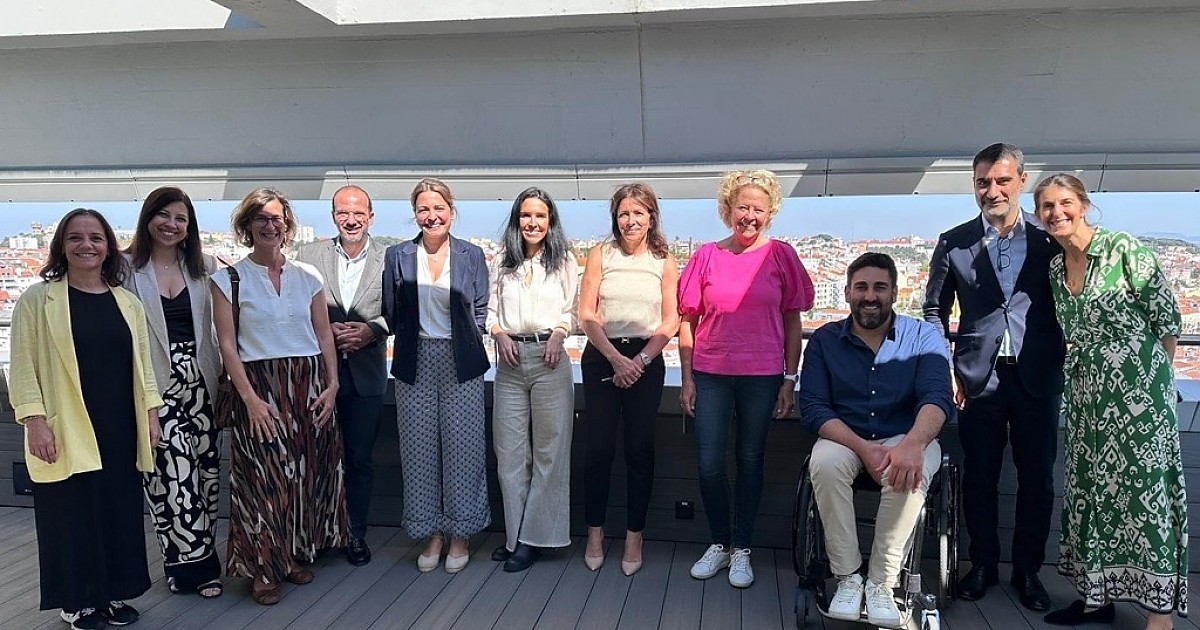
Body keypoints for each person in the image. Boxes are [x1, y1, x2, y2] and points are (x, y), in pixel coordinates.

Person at [1033, 174, 1187, 629]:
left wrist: (1153, 387)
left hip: (1139, 400)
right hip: (1087, 398)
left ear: (1083, 205)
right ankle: (1096, 599)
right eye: (1046, 206)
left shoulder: (1125, 250)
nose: (1056, 213)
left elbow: (1167, 322)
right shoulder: (1055, 268)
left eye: (1064, 203)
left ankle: (1159, 614)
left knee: (1146, 495)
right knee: (1089, 493)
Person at [923, 142, 1064, 611]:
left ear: (1022, 180)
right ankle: (982, 564)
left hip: (1037, 378)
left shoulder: (1050, 240)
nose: (992, 190)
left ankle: (1028, 570)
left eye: (1002, 180)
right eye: (983, 182)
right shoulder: (954, 241)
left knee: (1038, 479)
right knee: (979, 476)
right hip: (976, 380)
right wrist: (945, 366)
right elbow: (933, 311)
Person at [10, 208, 162, 630]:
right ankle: (76, 602)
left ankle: (112, 592)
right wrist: (34, 420)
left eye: (95, 238)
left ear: (108, 247)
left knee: (117, 511)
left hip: (120, 426)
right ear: (61, 246)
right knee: (70, 514)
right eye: (75, 237)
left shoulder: (127, 302)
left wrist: (151, 415)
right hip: (66, 424)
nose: (86, 245)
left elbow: (144, 366)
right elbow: (21, 366)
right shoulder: (37, 300)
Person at [799, 253, 954, 629]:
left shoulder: (923, 337)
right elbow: (815, 408)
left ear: (894, 293)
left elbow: (938, 397)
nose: (870, 296)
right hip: (846, 436)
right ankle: (848, 577)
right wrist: (863, 447)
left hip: (907, 434)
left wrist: (912, 445)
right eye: (862, 288)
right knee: (824, 463)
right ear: (848, 293)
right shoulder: (823, 341)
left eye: (880, 288)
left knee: (909, 467)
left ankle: (882, 582)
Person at [210, 187, 349, 605]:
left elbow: (323, 335)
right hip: (259, 385)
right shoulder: (228, 280)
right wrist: (250, 400)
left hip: (307, 384)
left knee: (302, 475)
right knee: (261, 479)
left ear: (287, 224)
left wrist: (332, 385)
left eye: (277, 218)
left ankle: (288, 557)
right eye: (261, 218)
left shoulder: (308, 276)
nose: (270, 226)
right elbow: (227, 345)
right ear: (247, 225)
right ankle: (262, 569)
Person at [678, 169, 813, 588]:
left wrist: (790, 379)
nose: (750, 216)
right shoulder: (705, 256)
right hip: (711, 374)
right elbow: (688, 321)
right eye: (742, 207)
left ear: (769, 213)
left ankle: (742, 547)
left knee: (751, 461)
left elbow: (793, 322)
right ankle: (719, 542)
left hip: (763, 375)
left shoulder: (781, 256)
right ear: (727, 210)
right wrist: (687, 378)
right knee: (709, 464)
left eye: (758, 209)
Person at [383, 177, 491, 574]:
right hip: (414, 360)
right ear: (415, 214)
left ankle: (460, 533)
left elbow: (479, 309)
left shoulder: (471, 254)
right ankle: (430, 532)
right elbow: (392, 310)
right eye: (423, 209)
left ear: (451, 211)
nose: (432, 216)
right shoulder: (397, 255)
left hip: (461, 359)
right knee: (418, 450)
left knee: (465, 448)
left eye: (438, 208)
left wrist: (464, 339)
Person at [122, 186, 224, 598]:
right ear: (148, 218)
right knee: (171, 477)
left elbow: (222, 327)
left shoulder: (205, 267)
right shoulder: (124, 268)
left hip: (202, 382)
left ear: (189, 227)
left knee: (206, 476)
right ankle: (198, 569)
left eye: (180, 218)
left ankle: (185, 561)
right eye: (163, 215)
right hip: (154, 385)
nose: (171, 224)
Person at [579, 183, 680, 576]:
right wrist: (616, 360)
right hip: (602, 357)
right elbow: (587, 314)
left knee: (639, 450)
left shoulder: (664, 260)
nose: (630, 221)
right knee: (598, 449)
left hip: (646, 360)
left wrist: (639, 360)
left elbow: (670, 320)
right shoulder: (600, 255)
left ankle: (634, 536)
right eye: (624, 213)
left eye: (638, 213)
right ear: (615, 218)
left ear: (651, 217)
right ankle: (595, 534)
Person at [296, 184, 389, 567]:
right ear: (334, 216)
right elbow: (293, 308)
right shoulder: (308, 256)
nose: (351, 220)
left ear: (371, 217)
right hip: (320, 376)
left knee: (359, 460)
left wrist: (373, 330)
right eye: (343, 213)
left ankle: (354, 534)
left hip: (367, 375)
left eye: (358, 213)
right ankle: (317, 535)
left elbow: (401, 310)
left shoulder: (390, 258)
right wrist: (323, 329)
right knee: (316, 458)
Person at [487, 187, 579, 572]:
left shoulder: (564, 260)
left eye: (540, 216)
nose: (533, 222)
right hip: (509, 363)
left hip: (549, 360)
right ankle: (515, 537)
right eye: (526, 215)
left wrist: (559, 332)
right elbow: (490, 311)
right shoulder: (501, 261)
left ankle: (532, 539)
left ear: (550, 220)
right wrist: (498, 334)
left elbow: (573, 311)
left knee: (549, 454)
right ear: (517, 219)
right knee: (509, 456)